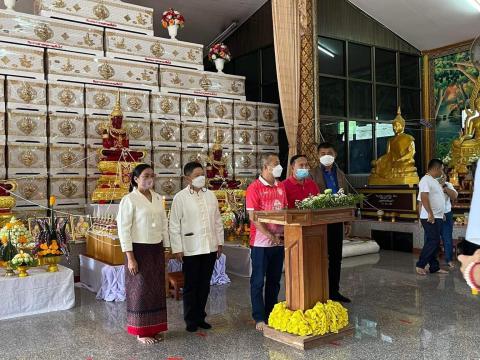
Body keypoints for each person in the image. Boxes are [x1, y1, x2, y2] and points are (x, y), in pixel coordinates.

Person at [116, 164, 169, 345]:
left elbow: (164, 224)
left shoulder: (157, 198)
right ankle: (140, 331)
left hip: (156, 249)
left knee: (155, 290)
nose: (149, 179)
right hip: (138, 250)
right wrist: (130, 257)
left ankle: (154, 328)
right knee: (140, 290)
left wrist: (166, 248)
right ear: (136, 178)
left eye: (152, 176)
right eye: (146, 176)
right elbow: (124, 230)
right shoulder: (129, 200)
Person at [169, 162, 224, 333]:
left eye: (203, 174)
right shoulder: (180, 197)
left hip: (209, 246)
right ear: (187, 178)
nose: (201, 178)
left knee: (204, 284)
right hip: (190, 248)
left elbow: (217, 220)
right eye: (197, 175)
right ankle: (190, 319)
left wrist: (219, 242)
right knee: (191, 285)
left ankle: (201, 316)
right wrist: (177, 248)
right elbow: (174, 225)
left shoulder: (211, 195)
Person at [246, 153, 288, 331]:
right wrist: (270, 235)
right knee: (258, 281)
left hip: (278, 243)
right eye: (275, 164)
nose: (279, 166)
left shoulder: (281, 186)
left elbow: (285, 210)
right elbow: (254, 217)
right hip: (261, 243)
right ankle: (259, 317)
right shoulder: (254, 188)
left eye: (279, 163)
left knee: (274, 280)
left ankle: (272, 313)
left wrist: (283, 234)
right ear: (265, 168)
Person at [311, 142, 351, 303]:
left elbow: (347, 197)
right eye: (322, 153)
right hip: (319, 222)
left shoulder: (340, 174)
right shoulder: (311, 174)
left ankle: (334, 291)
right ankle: (319, 292)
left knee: (336, 257)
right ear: (317, 155)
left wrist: (347, 221)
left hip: (337, 220)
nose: (325, 155)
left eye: (329, 152)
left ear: (335, 155)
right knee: (320, 257)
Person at [416, 159, 449, 275]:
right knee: (433, 240)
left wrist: (441, 214)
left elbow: (436, 199)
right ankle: (420, 264)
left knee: (434, 242)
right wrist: (430, 213)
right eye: (442, 169)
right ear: (436, 168)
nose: (442, 171)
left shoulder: (433, 181)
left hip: (437, 216)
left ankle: (434, 267)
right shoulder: (425, 180)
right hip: (429, 217)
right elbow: (423, 197)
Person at [438, 172, 458, 268]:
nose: (442, 178)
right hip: (435, 214)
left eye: (443, 176)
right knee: (432, 239)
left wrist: (445, 188)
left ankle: (449, 259)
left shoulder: (448, 185)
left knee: (447, 238)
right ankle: (430, 260)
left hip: (447, 213)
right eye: (439, 176)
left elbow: (454, 196)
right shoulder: (431, 185)